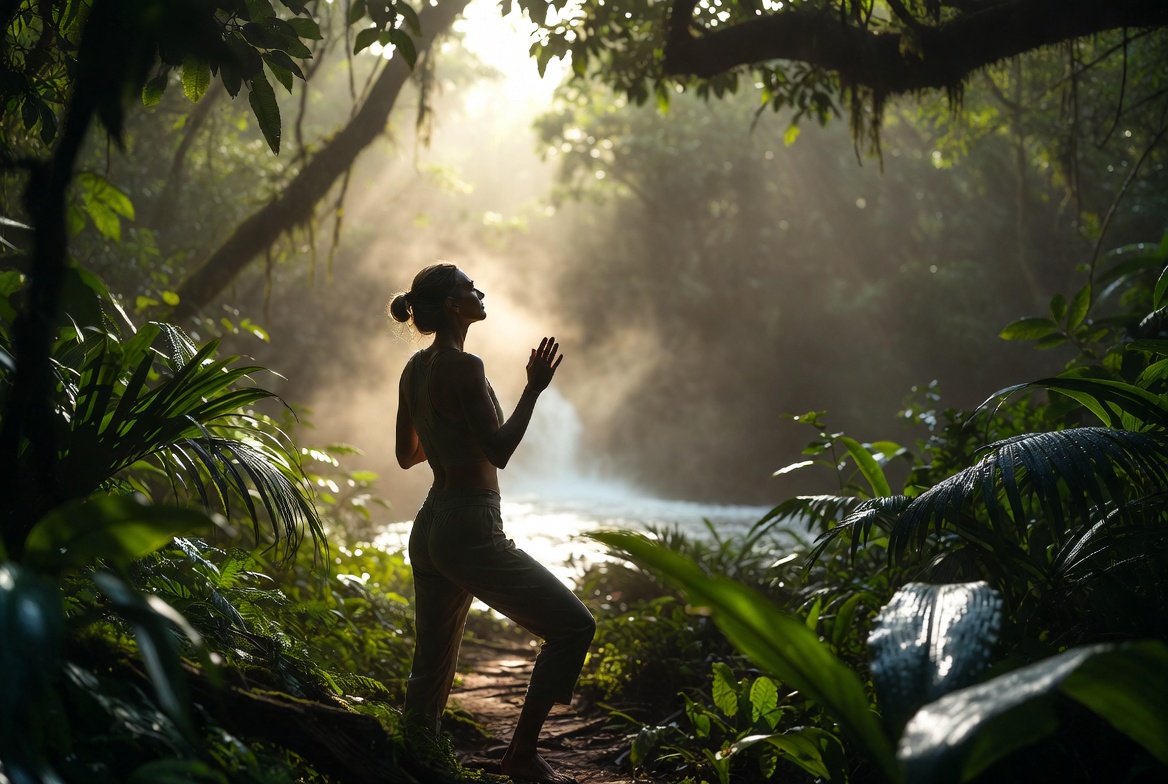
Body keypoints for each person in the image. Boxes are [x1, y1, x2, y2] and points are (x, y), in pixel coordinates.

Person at [389, 263, 595, 784]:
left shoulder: (414, 369)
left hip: (432, 519)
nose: (479, 291)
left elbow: (406, 455)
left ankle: (417, 758)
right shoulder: (464, 366)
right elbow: (500, 452)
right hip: (468, 522)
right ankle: (521, 756)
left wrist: (445, 437)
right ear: (455, 306)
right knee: (573, 627)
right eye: (469, 286)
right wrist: (534, 389)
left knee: (431, 661)